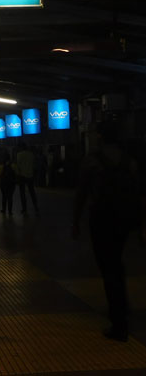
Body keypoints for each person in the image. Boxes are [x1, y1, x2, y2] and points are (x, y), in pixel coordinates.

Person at [72, 123, 145, 342]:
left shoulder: (92, 160)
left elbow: (81, 193)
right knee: (117, 263)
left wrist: (75, 221)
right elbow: (140, 194)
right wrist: (141, 225)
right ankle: (122, 305)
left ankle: (118, 323)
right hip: (125, 219)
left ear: (101, 137)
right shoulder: (129, 161)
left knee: (108, 266)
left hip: (101, 219)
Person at [17, 143, 39, 215]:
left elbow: (18, 165)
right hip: (30, 175)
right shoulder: (31, 154)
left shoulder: (19, 154)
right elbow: (34, 165)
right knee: (32, 192)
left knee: (22, 193)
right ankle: (36, 206)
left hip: (22, 176)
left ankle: (24, 208)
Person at [0, 150, 17, 215]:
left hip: (3, 183)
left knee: (4, 196)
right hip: (11, 183)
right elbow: (17, 173)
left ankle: (4, 209)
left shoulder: (1, 166)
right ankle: (10, 211)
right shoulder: (13, 165)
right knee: (10, 197)